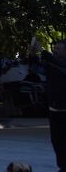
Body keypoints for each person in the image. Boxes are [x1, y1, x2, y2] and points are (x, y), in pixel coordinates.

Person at [43, 38, 66, 172]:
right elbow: (37, 68)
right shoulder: (52, 65)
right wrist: (33, 55)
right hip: (54, 110)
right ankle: (62, 166)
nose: (55, 51)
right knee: (57, 141)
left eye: (59, 49)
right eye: (55, 49)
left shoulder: (59, 65)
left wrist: (50, 58)